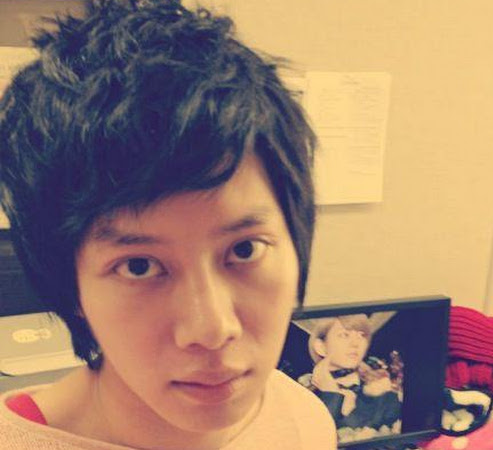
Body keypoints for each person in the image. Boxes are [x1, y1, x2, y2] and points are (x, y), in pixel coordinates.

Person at [0, 1, 336, 449]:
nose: (212, 329)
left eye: (245, 249)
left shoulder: (304, 421)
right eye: (138, 266)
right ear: (70, 286)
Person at [306, 315, 402, 439]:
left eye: (361, 335)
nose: (355, 344)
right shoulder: (301, 395)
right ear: (321, 347)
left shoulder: (385, 396)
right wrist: (331, 394)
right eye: (344, 335)